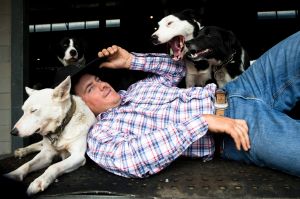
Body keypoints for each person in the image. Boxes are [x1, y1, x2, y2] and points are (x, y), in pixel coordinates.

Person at [55, 31, 300, 178]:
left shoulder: (137, 89)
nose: (102, 85)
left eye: (98, 80)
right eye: (91, 88)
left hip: (242, 88)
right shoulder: (101, 135)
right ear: (80, 105)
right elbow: (130, 159)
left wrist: (131, 61)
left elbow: (177, 68)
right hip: (237, 133)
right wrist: (203, 122)